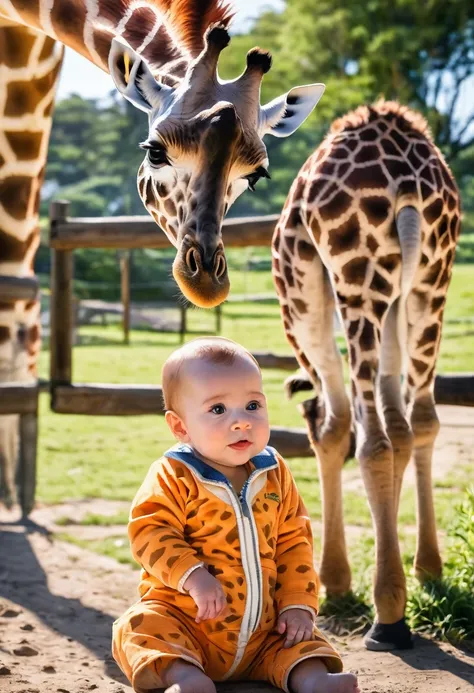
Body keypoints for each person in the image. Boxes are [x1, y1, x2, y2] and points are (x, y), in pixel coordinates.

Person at [112, 337, 359, 693]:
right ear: (180, 427)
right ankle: (186, 678)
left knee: (299, 641)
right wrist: (192, 575)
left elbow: (294, 541)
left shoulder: (273, 471)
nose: (241, 422)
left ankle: (313, 680)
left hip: (263, 630)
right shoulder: (173, 474)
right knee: (140, 626)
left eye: (253, 405)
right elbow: (149, 532)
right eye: (218, 410)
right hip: (188, 623)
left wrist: (297, 604)